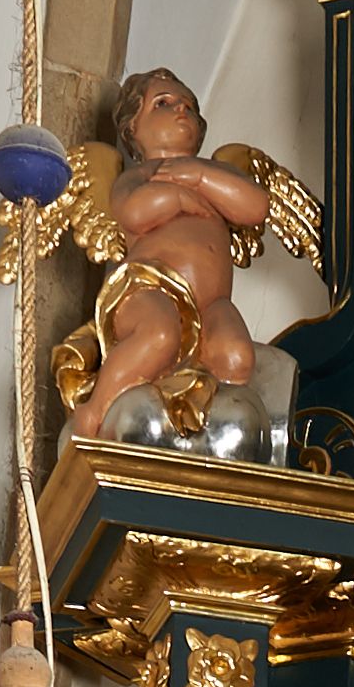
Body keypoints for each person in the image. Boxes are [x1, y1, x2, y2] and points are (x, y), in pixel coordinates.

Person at [64, 67, 270, 437]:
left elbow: (256, 206)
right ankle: (94, 413)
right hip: (148, 288)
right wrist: (179, 196)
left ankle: (197, 424)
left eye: (189, 106)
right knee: (158, 335)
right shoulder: (141, 174)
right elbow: (133, 211)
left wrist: (198, 175)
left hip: (211, 303)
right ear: (133, 128)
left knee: (236, 355)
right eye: (163, 103)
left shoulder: (213, 173)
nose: (181, 110)